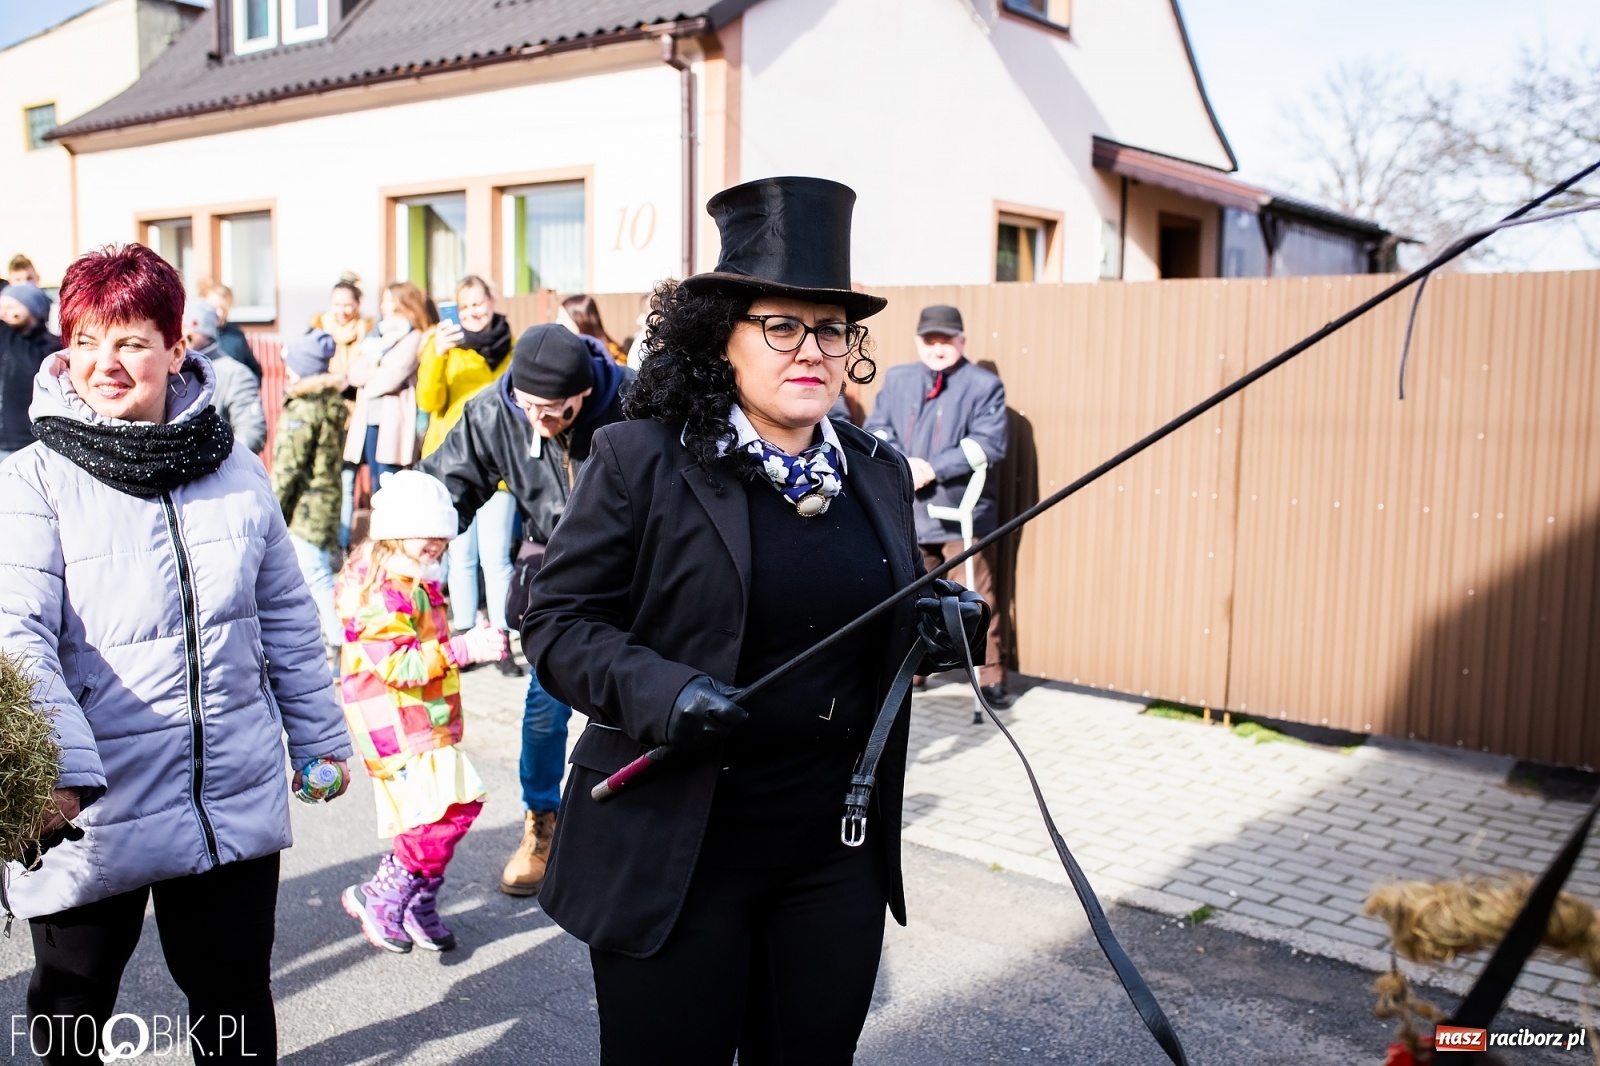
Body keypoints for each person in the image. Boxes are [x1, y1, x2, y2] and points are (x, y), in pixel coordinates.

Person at [522, 176, 979, 1064]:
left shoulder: (879, 472)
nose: (811, 350)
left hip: (833, 857)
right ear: (720, 339)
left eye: (831, 329)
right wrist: (663, 692)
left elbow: (872, 620)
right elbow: (559, 624)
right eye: (780, 326)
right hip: (678, 853)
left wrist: (936, 626)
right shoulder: (639, 459)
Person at [0, 243, 351, 1064]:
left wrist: (318, 737)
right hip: (90, 807)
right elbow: (14, 634)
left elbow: (285, 615)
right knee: (73, 1007)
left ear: (176, 346)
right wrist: (55, 772)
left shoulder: (236, 470)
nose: (104, 363)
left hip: (224, 794)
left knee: (232, 1001)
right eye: (85, 341)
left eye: (131, 341)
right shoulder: (33, 480)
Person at [420, 322, 631, 897]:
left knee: (634, 711)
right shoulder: (497, 410)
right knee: (544, 709)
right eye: (528, 405)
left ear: (583, 392)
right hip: (558, 581)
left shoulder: (635, 399)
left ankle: (630, 830)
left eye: (554, 410)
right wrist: (402, 544)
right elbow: (445, 486)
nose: (538, 418)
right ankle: (542, 821)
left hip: (638, 576)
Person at [335, 470, 506, 953]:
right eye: (424, 531)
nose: (437, 542)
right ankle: (386, 893)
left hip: (423, 718)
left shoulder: (414, 578)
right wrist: (462, 649)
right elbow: (396, 665)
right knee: (444, 814)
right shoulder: (384, 589)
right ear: (395, 531)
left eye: (442, 534)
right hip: (400, 724)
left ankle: (415, 900)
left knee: (444, 812)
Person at [864, 303, 1013, 707]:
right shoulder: (898, 379)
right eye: (930, 340)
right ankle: (912, 672)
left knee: (976, 596)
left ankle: (991, 677)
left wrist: (933, 467)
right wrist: (905, 463)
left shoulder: (983, 386)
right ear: (919, 342)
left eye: (946, 340)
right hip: (909, 511)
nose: (938, 347)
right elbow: (877, 429)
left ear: (962, 341)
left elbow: (987, 443)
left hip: (960, 513)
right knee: (914, 597)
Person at [417, 275, 519, 668]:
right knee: (460, 556)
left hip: (499, 463)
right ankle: (465, 638)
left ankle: (501, 640)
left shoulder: (510, 345)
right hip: (453, 461)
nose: (473, 312)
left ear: (492, 301)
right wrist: (437, 354)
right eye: (465, 306)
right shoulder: (443, 346)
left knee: (496, 557)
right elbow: (429, 400)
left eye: (478, 303)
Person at [270, 329, 350, 652]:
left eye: (291, 364)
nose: (287, 370)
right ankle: (331, 637)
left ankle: (339, 639)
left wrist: (271, 505)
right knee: (316, 570)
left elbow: (288, 467)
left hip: (305, 506)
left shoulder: (303, 409)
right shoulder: (330, 402)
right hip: (326, 498)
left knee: (315, 574)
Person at [343, 281, 429, 485]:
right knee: (375, 480)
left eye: (389, 301)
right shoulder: (376, 335)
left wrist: (370, 376)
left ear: (403, 303)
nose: (383, 306)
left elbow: (390, 379)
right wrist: (379, 370)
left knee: (389, 483)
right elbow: (353, 373)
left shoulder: (415, 336)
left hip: (394, 422)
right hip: (369, 419)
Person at [311, 274, 374, 550]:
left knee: (348, 481)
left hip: (355, 415)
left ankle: (343, 543)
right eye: (337, 304)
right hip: (326, 415)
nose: (342, 310)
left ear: (358, 304)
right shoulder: (318, 329)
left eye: (348, 304)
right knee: (325, 481)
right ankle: (326, 541)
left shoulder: (368, 331)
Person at [183, 298, 266, 454]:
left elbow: (251, 433)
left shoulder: (235, 374)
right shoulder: (166, 368)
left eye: (184, 327)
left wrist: (212, 458)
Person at [1, 284, 61, 464]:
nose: (3, 313)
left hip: (28, 445)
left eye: (11, 306)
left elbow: (30, 363)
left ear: (33, 309)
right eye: (1, 307)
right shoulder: (6, 341)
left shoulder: (51, 347)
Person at [199, 280, 264, 380]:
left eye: (224, 309)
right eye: (215, 308)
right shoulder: (192, 334)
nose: (220, 313)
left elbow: (254, 372)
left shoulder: (236, 336)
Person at [559, 293, 626, 364]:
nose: (558, 322)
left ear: (581, 320)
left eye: (563, 318)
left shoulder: (613, 354)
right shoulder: (566, 350)